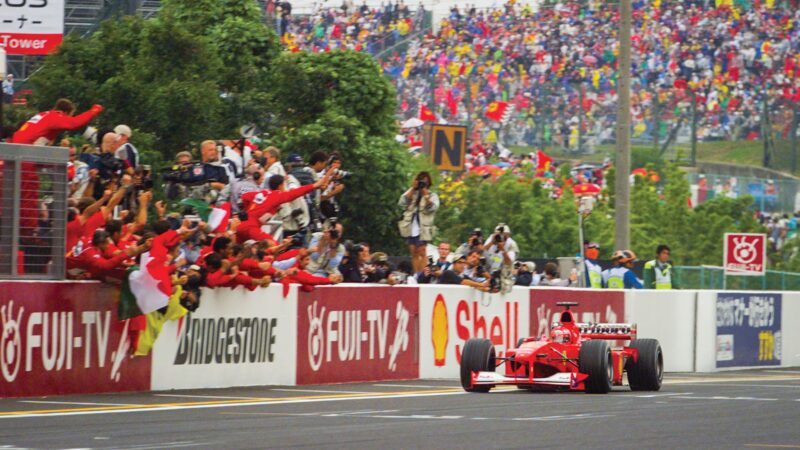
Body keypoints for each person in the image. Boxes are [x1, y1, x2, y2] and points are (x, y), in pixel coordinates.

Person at [398, 171, 439, 274]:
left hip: (423, 227)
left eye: (425, 182)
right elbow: (402, 203)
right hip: (411, 226)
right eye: (421, 181)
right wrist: (413, 188)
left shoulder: (432, 195)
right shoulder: (412, 193)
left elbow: (433, 208)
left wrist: (425, 195)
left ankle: (422, 274)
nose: (422, 184)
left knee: (422, 251)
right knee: (413, 252)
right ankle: (416, 274)